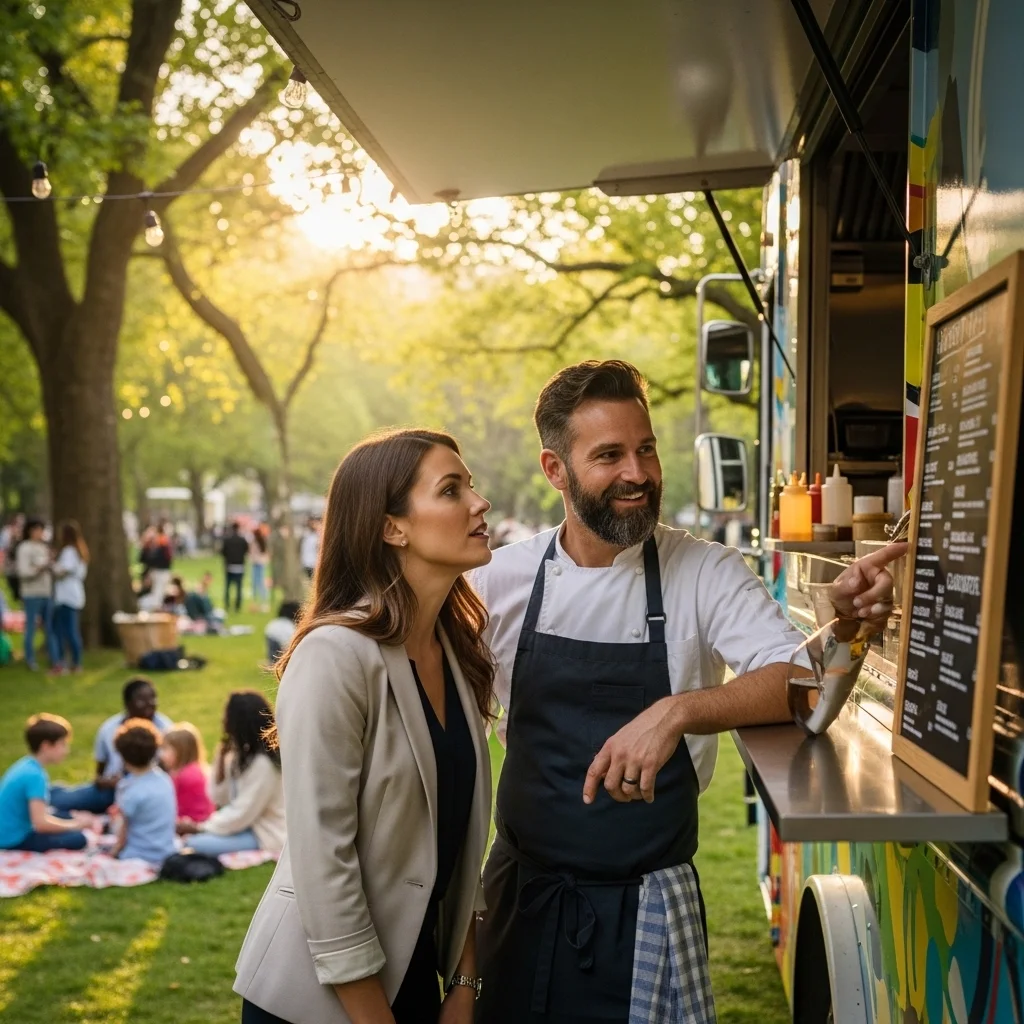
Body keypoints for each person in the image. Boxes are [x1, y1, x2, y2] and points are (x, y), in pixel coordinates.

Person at [469, 360, 907, 1022]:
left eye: (645, 449)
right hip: (521, 902)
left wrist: (679, 711)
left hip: (651, 905)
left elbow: (798, 683)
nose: (638, 473)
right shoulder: (497, 583)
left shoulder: (702, 569)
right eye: (609, 455)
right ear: (555, 470)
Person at [234, 429, 495, 1024]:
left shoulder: (454, 652)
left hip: (419, 979)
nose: (479, 504)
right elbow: (323, 856)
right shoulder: (335, 655)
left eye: (471, 487)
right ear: (391, 527)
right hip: (323, 998)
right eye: (451, 490)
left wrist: (463, 979)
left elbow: (457, 839)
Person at [177, 690, 285, 857]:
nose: (223, 721)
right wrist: (221, 761)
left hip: (265, 833)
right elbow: (219, 798)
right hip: (243, 826)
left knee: (194, 844)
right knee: (193, 840)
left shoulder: (263, 765)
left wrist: (201, 828)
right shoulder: (239, 756)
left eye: (226, 716)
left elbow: (243, 812)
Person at [50, 678, 174, 815]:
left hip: (148, 792)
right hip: (110, 791)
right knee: (60, 802)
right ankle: (51, 793)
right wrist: (106, 782)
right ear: (127, 704)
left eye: (153, 698)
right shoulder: (109, 729)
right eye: (141, 700)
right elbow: (99, 773)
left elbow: (172, 771)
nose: (149, 704)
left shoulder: (166, 729)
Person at [0, 714, 87, 852]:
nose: (67, 751)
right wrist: (74, 825)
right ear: (46, 746)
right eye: (63, 744)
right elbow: (40, 823)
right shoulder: (35, 775)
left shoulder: (25, 764)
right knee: (78, 839)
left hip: (9, 830)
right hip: (13, 840)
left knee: (65, 816)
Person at [110, 719, 177, 868]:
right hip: (166, 850)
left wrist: (114, 853)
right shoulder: (165, 780)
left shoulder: (131, 791)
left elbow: (122, 833)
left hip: (139, 854)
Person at [16, 518, 59, 672]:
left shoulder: (44, 548)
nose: (39, 533)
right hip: (31, 593)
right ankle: (30, 659)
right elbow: (23, 572)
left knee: (50, 627)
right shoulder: (24, 548)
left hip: (46, 593)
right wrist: (39, 568)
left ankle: (55, 660)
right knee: (31, 628)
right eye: (37, 529)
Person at [52, 520, 88, 675]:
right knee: (72, 630)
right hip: (75, 594)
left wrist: (52, 565)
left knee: (63, 631)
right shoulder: (80, 551)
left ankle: (63, 663)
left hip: (66, 595)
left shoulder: (69, 551)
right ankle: (76, 662)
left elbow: (63, 570)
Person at [160, 722, 215, 823]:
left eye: (165, 749)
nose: (161, 755)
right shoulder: (197, 769)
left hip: (191, 825)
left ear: (180, 750)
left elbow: (171, 808)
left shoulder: (184, 776)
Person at [221, 521, 249, 613]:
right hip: (239, 566)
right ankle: (237, 605)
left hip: (229, 566)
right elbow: (246, 550)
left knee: (228, 587)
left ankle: (227, 604)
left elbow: (223, 552)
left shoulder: (227, 540)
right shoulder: (242, 540)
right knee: (239, 588)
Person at [263, 599, 301, 665]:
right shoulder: (290, 626)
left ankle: (271, 660)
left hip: (271, 640)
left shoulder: (275, 622)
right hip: (281, 646)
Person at [250, 527, 270, 609]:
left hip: (256, 564)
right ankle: (262, 602)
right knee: (260, 583)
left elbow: (252, 554)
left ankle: (258, 602)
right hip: (261, 564)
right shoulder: (262, 541)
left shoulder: (255, 542)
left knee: (256, 583)